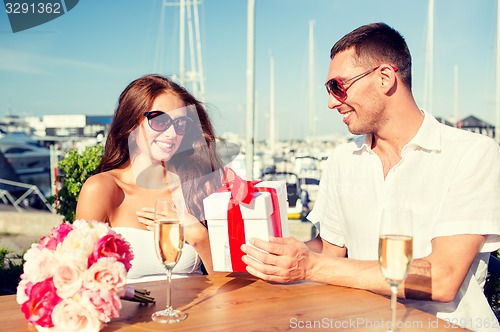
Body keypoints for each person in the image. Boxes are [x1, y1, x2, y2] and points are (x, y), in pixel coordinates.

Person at [241, 22, 500, 330]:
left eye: (337, 86)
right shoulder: (341, 160)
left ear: (385, 77)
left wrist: (311, 266)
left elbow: (441, 278)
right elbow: (328, 250)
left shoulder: (472, 153)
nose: (331, 102)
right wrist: (265, 251)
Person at [76, 74, 223, 281]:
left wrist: (198, 236)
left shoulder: (199, 185)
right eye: (160, 120)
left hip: (194, 313)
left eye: (181, 123)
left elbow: (227, 285)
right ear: (131, 124)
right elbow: (80, 278)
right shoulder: (102, 189)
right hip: (130, 313)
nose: (172, 133)